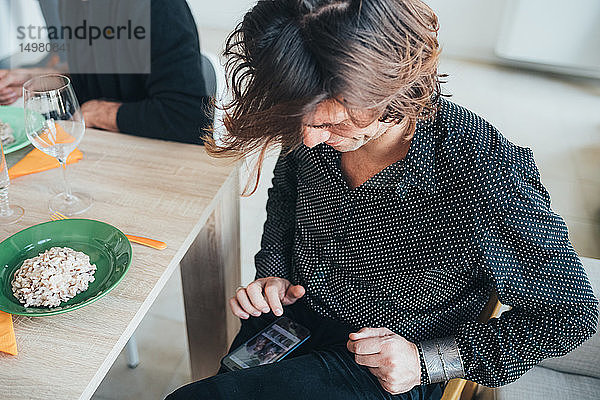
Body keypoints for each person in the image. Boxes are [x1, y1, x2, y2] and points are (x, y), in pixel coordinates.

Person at [168, 0, 599, 399]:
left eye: (332, 123)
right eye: (298, 122)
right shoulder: (311, 113)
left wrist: (430, 360)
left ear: (393, 90)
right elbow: (286, 198)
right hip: (297, 316)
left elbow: (572, 314)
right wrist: (274, 273)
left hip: (388, 361)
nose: (308, 139)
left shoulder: (485, 173)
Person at [0, 0, 210, 145]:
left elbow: (187, 117)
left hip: (160, 156)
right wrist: (42, 78)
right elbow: (101, 72)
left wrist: (98, 112)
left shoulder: (158, 7)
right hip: (104, 147)